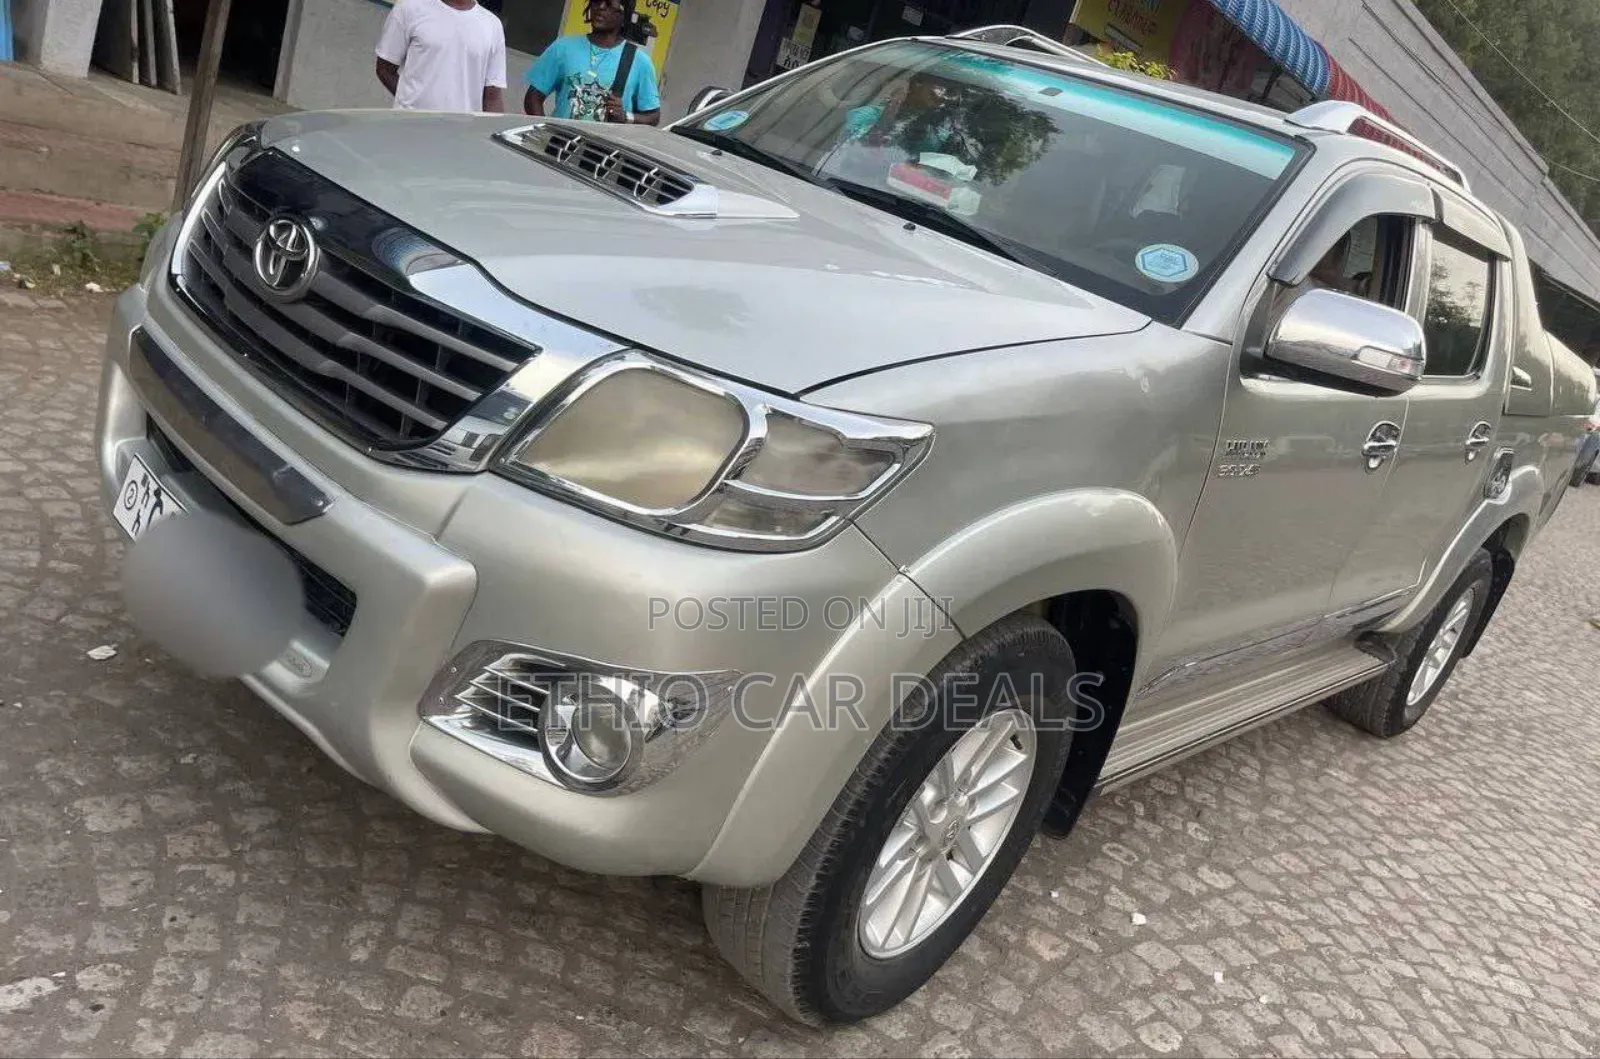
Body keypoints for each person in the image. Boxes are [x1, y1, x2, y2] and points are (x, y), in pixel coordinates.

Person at [522, 0, 661, 125]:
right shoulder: (563, 48)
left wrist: (626, 117)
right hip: (560, 146)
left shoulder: (639, 61)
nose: (600, 7)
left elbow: (653, 117)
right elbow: (533, 98)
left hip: (607, 150)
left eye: (609, 4)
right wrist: (546, 132)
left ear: (624, 16)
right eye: (596, 1)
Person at [375, 0, 507, 114]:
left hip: (463, 134)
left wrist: (496, 134)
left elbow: (492, 96)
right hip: (410, 126)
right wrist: (411, 106)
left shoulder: (492, 25)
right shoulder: (410, 7)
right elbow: (384, 68)